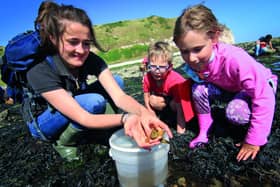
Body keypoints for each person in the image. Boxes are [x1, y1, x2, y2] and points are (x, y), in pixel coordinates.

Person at [24, 1, 172, 161]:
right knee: (93, 102)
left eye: (86, 43)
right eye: (73, 42)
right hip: (42, 123)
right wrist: (126, 118)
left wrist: (144, 113)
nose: (80, 50)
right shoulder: (39, 69)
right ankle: (64, 142)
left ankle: (96, 129)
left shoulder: (91, 59)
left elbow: (120, 97)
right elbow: (84, 117)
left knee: (117, 81)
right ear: (54, 39)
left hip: (75, 104)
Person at [173, 4, 278, 161]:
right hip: (231, 88)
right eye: (184, 51)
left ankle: (256, 127)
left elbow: (263, 95)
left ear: (214, 38)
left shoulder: (235, 60)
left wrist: (253, 141)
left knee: (235, 113)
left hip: (262, 86)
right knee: (198, 90)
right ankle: (205, 130)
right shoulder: (195, 64)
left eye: (197, 49)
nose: (191, 58)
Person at [142, 41, 194, 134]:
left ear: (170, 67)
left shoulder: (175, 81)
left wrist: (180, 131)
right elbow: (146, 97)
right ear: (149, 65)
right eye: (153, 67)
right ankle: (168, 117)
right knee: (152, 100)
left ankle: (175, 119)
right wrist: (153, 117)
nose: (157, 71)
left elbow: (180, 106)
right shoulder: (148, 78)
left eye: (162, 67)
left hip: (185, 102)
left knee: (176, 105)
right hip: (169, 100)